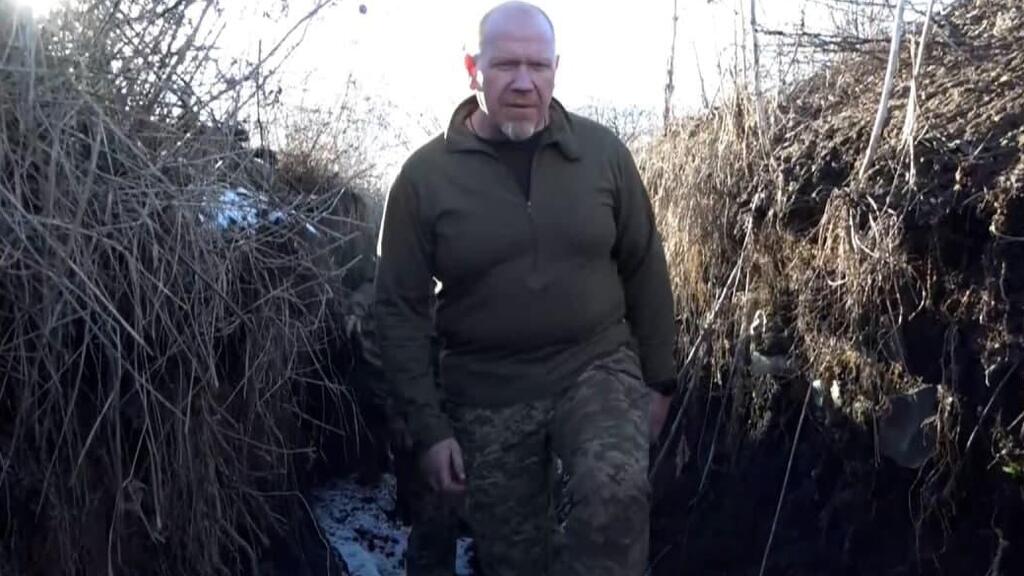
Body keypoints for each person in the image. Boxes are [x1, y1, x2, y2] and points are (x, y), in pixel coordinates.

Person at [374, 2, 677, 574]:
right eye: (505, 64)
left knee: (613, 498)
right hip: (486, 389)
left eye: (537, 66)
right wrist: (429, 429)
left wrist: (659, 380)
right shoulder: (422, 179)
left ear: (556, 69)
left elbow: (644, 264)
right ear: (473, 68)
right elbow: (397, 313)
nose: (522, 81)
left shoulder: (602, 154)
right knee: (515, 559)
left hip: (596, 365)